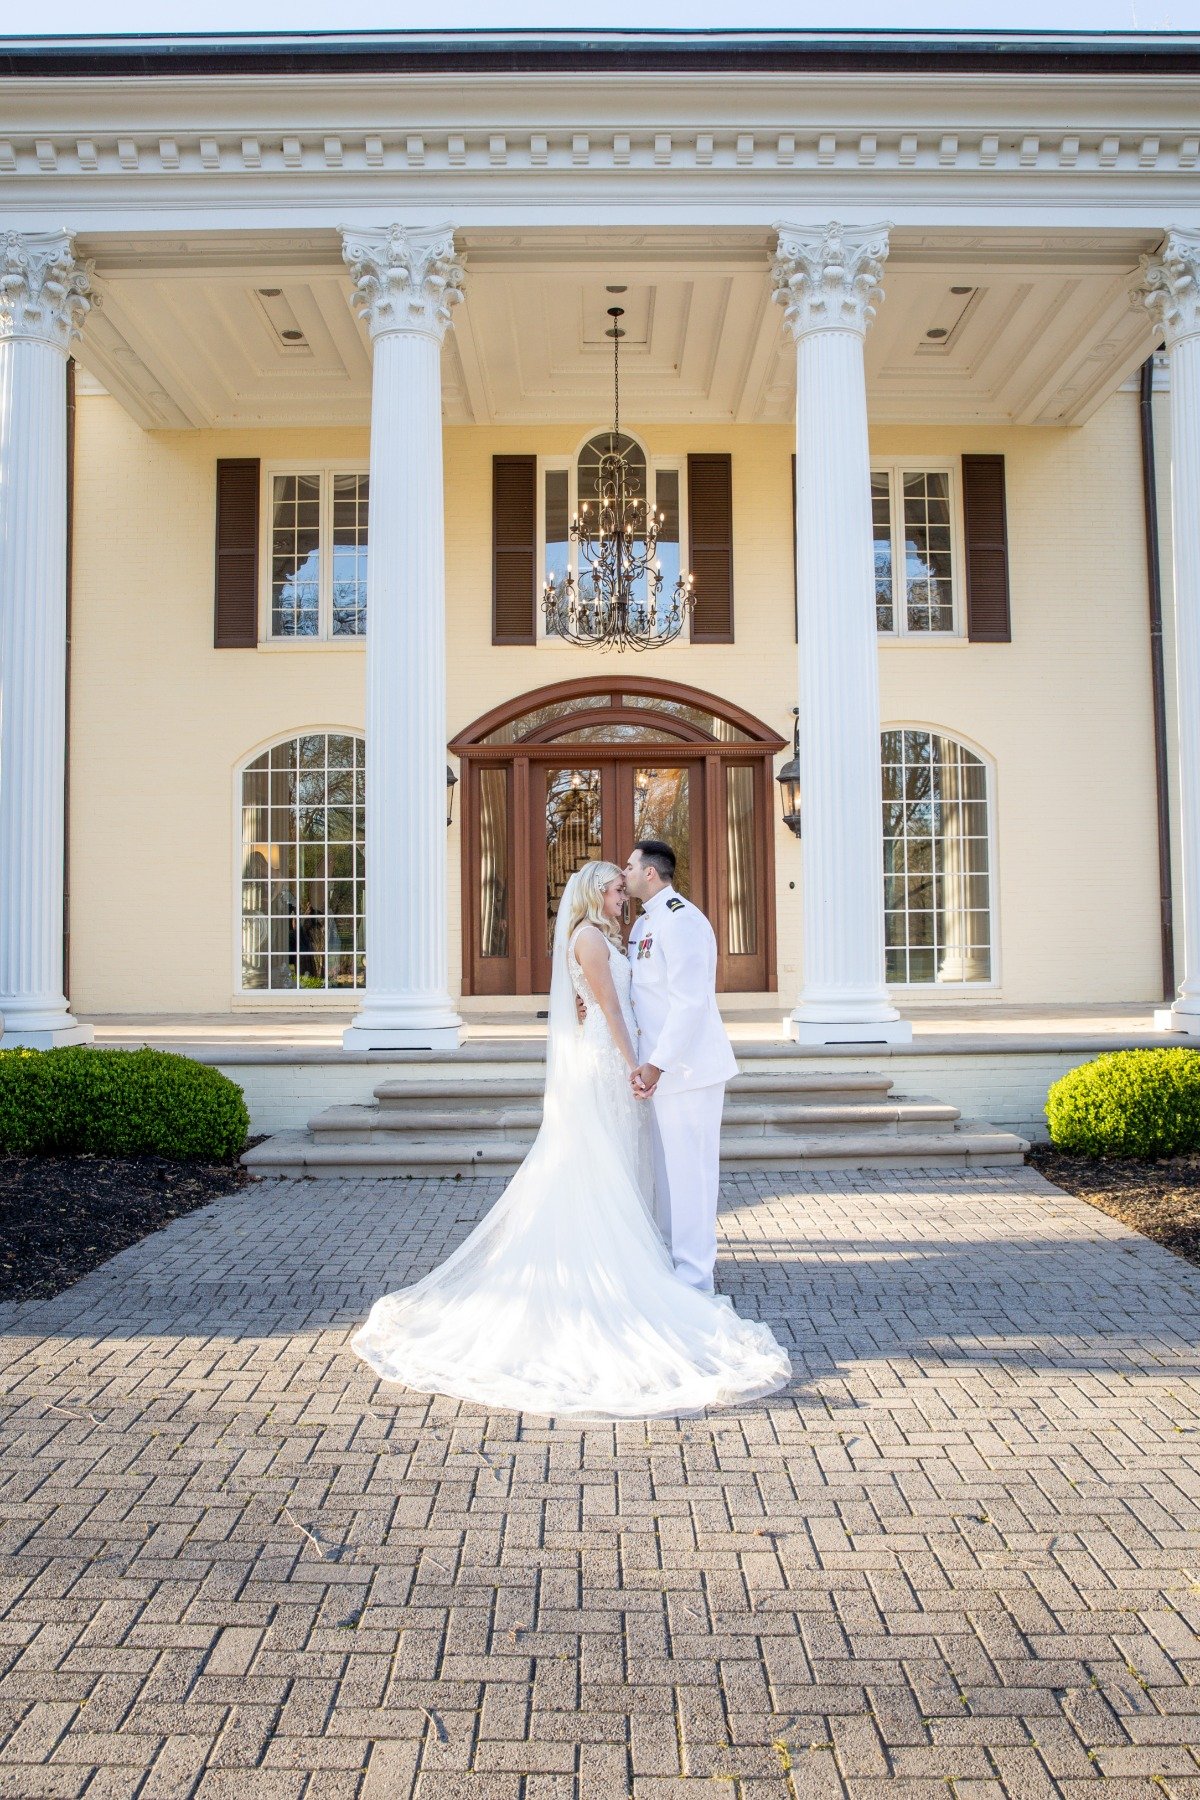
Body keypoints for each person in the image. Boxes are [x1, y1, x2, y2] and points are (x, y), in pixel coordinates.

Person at [351, 861, 790, 1418]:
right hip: (611, 1062)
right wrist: (640, 1064)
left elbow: (642, 996)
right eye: (614, 885)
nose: (622, 890)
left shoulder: (638, 928)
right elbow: (609, 1006)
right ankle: (624, 1262)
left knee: (623, 1161)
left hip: (640, 1061)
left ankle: (663, 1261)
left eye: (626, 878)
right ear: (595, 893)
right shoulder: (591, 937)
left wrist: (643, 1058)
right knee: (599, 1160)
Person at [624, 841, 738, 1294]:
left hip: (687, 1071)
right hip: (657, 1071)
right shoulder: (642, 925)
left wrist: (656, 1064)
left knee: (692, 1175)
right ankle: (673, 1261)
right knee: (668, 1174)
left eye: (630, 866)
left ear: (651, 874)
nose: (624, 871)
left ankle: (695, 1279)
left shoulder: (682, 919)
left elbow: (691, 1004)